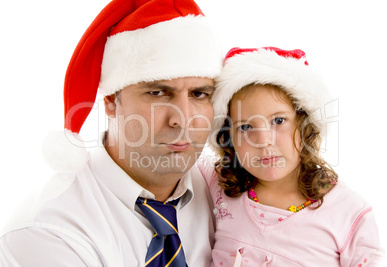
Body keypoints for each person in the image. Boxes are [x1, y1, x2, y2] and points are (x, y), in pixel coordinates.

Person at [0, 0, 222, 266]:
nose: (183, 119)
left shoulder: (227, 195)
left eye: (199, 94)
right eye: (158, 92)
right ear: (110, 101)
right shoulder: (50, 231)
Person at [198, 47, 384, 266]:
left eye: (278, 121)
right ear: (228, 138)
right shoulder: (216, 184)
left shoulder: (349, 213)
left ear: (305, 126)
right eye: (246, 127)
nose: (263, 140)